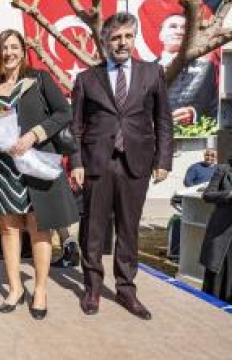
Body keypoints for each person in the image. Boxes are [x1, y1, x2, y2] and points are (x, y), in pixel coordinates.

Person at [71, 13, 173, 320]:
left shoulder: (152, 73)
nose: (122, 43)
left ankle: (126, 289)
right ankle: (92, 288)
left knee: (129, 228)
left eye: (128, 36)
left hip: (136, 162)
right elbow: (75, 127)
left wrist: (164, 160)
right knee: (93, 229)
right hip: (97, 163)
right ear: (104, 42)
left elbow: (163, 120)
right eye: (115, 37)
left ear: (135, 38)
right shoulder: (87, 78)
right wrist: (75, 162)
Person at [0, 29, 79, 319]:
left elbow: (64, 113)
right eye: (4, 48)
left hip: (35, 166)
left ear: (23, 51)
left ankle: (40, 290)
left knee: (39, 229)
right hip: (3, 169)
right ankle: (15, 288)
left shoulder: (39, 80)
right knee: (9, 231)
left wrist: (34, 135)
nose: (9, 52)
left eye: (14, 47)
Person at [156, 13, 218, 126]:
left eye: (184, 28)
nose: (179, 31)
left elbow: (215, 110)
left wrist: (194, 115)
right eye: (173, 26)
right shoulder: (144, 71)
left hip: (193, 141)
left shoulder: (207, 69)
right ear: (160, 35)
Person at [199, 155, 232, 303]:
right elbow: (207, 195)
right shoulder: (223, 169)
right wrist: (229, 194)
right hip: (221, 231)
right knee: (218, 270)